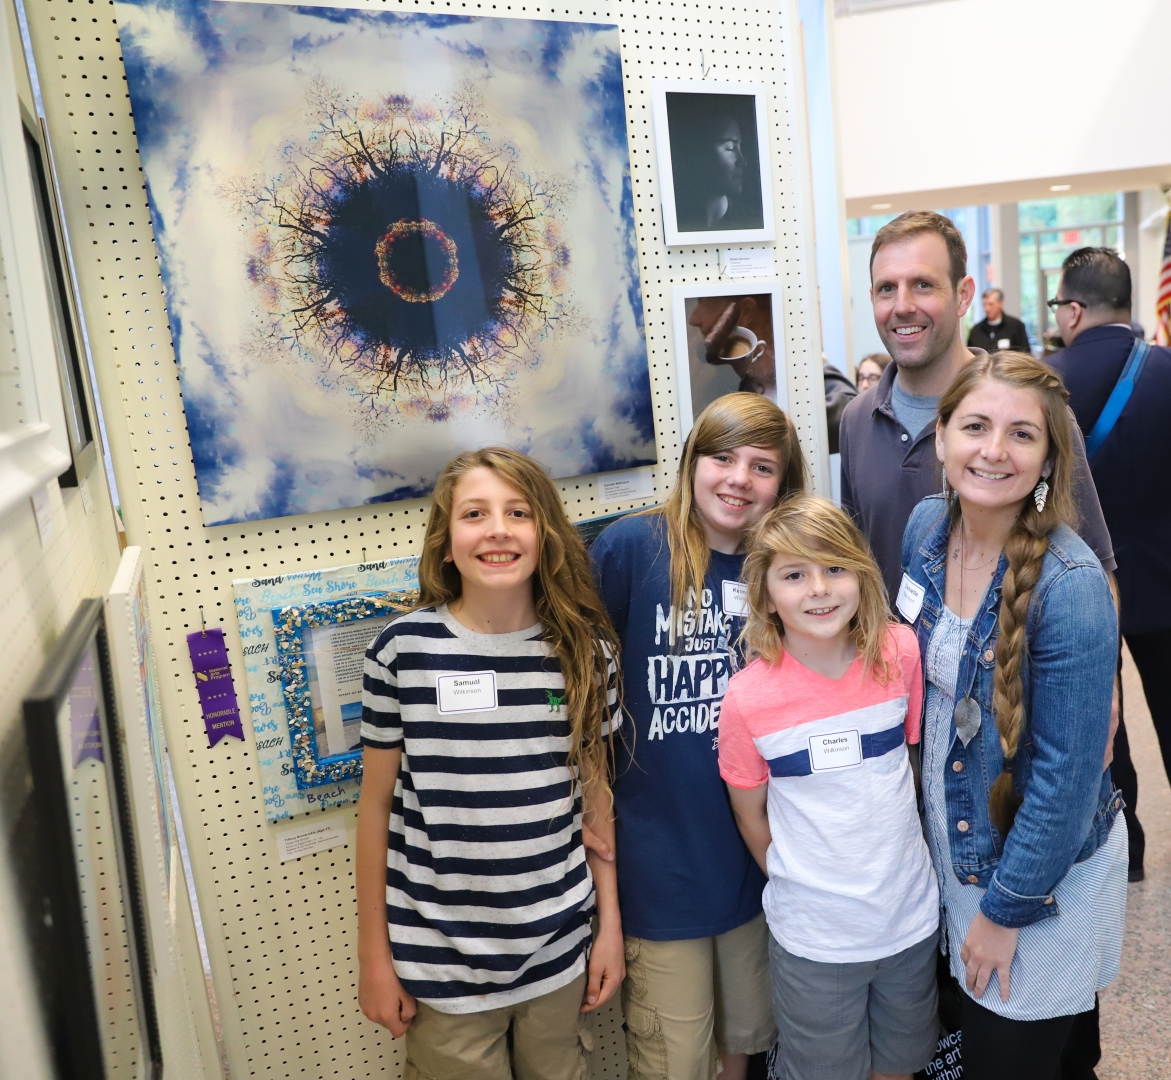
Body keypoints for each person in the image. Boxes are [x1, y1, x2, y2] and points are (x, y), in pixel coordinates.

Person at [355, 448, 625, 1079]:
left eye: (519, 513)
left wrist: (608, 925)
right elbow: (374, 813)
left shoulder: (587, 653)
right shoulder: (402, 653)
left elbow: (598, 807)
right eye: (475, 514)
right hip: (441, 962)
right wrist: (374, 955)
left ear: (546, 536)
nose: (498, 528)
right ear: (447, 544)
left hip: (558, 954)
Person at [901, 351, 1126, 1080]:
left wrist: (1005, 915)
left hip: (1034, 880)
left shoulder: (1071, 588)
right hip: (955, 843)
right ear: (939, 437)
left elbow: (1063, 787)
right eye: (974, 426)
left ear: (1050, 459)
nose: (994, 451)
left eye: (1022, 435)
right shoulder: (924, 529)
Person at [589, 393, 807, 1080]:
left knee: (743, 1046)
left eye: (761, 466)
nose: (738, 478)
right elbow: (586, 700)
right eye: (721, 457)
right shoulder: (631, 548)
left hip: (757, 863)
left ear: (784, 485)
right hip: (660, 869)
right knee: (674, 1058)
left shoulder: (788, 573)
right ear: (691, 463)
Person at [719, 496, 940, 1080]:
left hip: (909, 921)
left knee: (900, 1065)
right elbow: (750, 814)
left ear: (861, 575)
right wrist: (804, 880)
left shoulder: (900, 652)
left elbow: (908, 767)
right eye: (794, 575)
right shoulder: (747, 699)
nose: (819, 589)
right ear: (765, 595)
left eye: (835, 568)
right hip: (815, 939)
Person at [837, 210, 1115, 605]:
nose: (902, 306)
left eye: (922, 284)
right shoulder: (856, 420)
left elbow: (1095, 571)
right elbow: (859, 563)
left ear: (963, 295)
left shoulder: (1030, 416)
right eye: (886, 288)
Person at [1049, 246, 1171, 883]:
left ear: (1073, 308)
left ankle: (1128, 853)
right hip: (1165, 583)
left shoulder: (1044, 383)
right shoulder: (1167, 369)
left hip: (1083, 586)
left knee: (1105, 727)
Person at [666, 93, 764, 232]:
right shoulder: (671, 221)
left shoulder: (755, 222)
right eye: (730, 148)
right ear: (700, 152)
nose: (742, 161)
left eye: (739, 146)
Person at [968, 288, 1031, 354]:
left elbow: (1025, 356)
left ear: (1000, 303)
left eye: (990, 304)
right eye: (984, 304)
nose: (987, 308)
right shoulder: (976, 331)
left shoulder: (1016, 327)